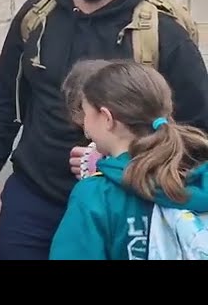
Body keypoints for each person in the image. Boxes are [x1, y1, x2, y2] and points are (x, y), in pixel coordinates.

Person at [0, 0, 208, 259]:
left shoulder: (160, 31)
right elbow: (5, 98)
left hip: (120, 198)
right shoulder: (36, 16)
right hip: (33, 193)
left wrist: (122, 161)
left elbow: (196, 126)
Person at [49, 58, 208, 259]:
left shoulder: (98, 194)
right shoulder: (197, 175)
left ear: (107, 118)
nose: (85, 127)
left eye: (86, 113)